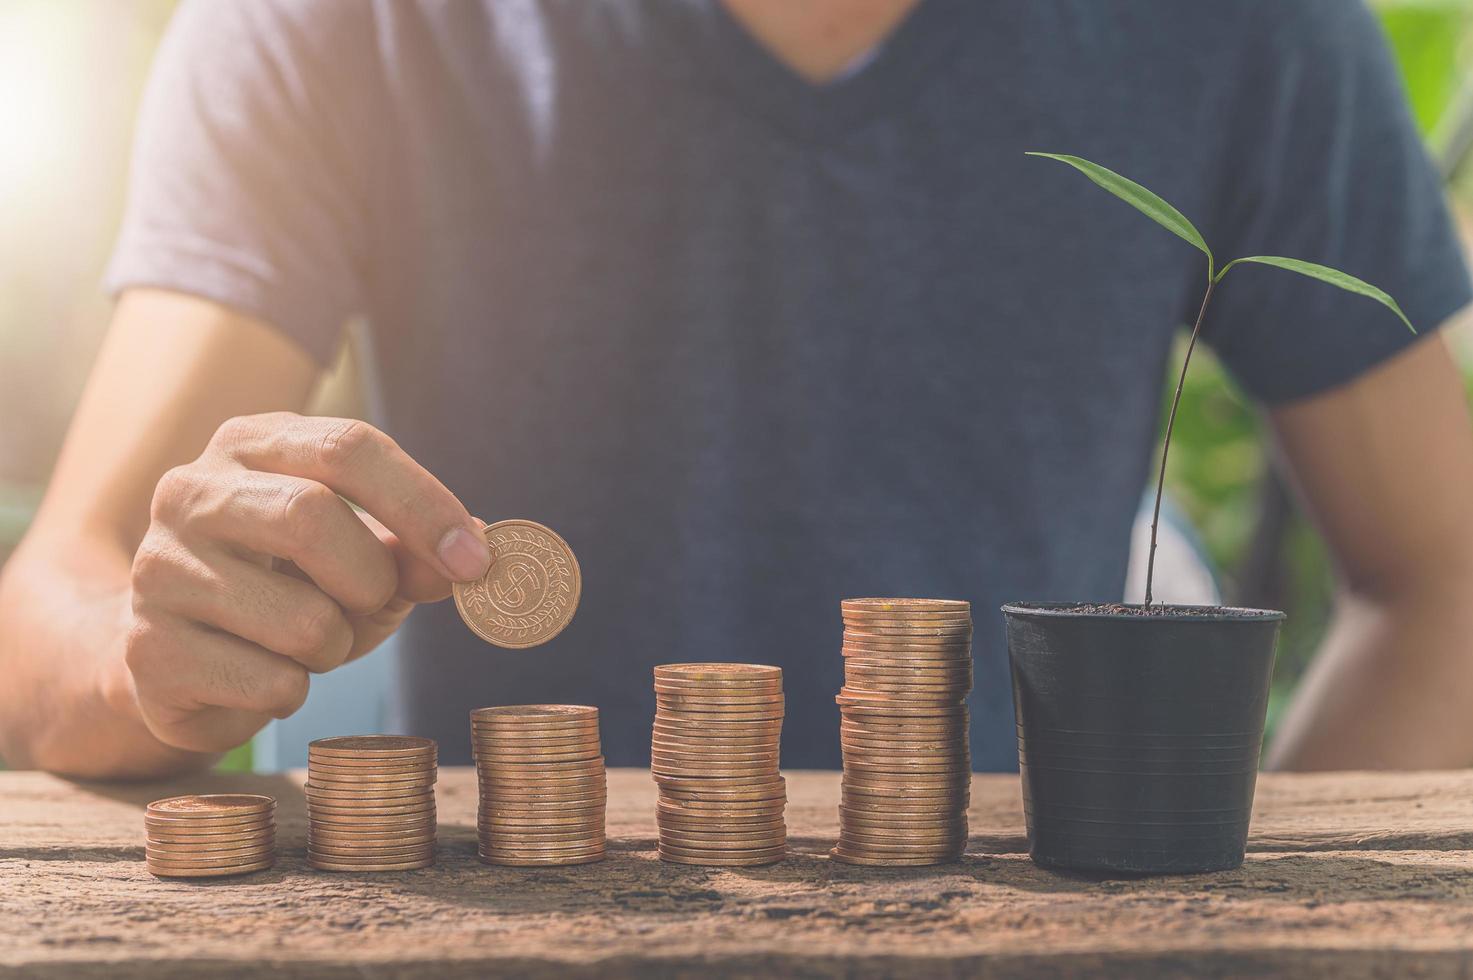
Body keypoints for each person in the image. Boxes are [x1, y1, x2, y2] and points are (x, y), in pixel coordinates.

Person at [3, 0, 1472, 779]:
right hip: (511, 931)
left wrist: (1214, 930)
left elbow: (1446, 580)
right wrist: (146, 656)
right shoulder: (333, 21)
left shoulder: (1248, 26)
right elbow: (58, 600)